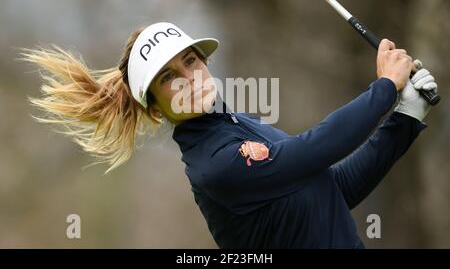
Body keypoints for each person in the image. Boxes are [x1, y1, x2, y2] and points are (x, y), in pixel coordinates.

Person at [20, 21, 438, 248]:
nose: (190, 77)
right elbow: (318, 149)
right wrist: (384, 89)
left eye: (191, 61)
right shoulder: (215, 165)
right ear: (154, 106)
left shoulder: (239, 124)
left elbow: (332, 190)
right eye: (170, 77)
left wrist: (406, 118)